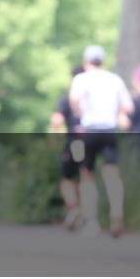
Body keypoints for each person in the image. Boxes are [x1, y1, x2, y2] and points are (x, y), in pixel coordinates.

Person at [70, 45, 134, 238]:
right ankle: (116, 212)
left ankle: (91, 221)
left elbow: (74, 99)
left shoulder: (81, 79)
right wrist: (117, 113)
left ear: (86, 61)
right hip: (109, 130)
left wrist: (79, 112)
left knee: (86, 174)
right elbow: (128, 106)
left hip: (89, 130)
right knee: (112, 173)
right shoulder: (115, 79)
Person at [50, 65, 85, 229]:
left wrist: (55, 139)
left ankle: (74, 207)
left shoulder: (68, 98)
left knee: (67, 178)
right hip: (90, 140)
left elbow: (57, 120)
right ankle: (85, 211)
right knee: (86, 175)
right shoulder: (93, 97)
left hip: (74, 142)